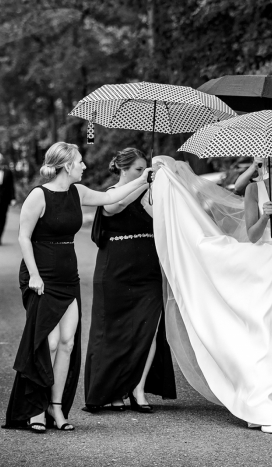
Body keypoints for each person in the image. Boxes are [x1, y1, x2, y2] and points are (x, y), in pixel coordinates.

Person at [150, 154, 272, 435]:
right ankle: (269, 404)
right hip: (266, 266)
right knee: (269, 333)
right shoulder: (253, 190)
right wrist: (265, 215)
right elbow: (254, 235)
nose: (269, 162)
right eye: (266, 159)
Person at [2, 142, 152, 433]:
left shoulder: (78, 192)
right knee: (50, 342)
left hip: (68, 276)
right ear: (67, 165)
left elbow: (114, 196)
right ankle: (34, 408)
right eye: (80, 162)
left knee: (68, 343)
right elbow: (24, 237)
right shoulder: (38, 195)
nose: (85, 166)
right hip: (41, 277)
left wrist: (144, 179)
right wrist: (33, 275)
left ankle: (55, 408)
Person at [84, 148, 176, 413]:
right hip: (115, 271)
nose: (142, 173)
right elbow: (115, 206)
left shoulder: (148, 193)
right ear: (124, 169)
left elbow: (161, 220)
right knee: (113, 331)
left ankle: (138, 388)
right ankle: (111, 390)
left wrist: (153, 192)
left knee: (148, 328)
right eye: (137, 169)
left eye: (144, 169)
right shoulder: (111, 192)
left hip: (147, 270)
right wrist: (142, 182)